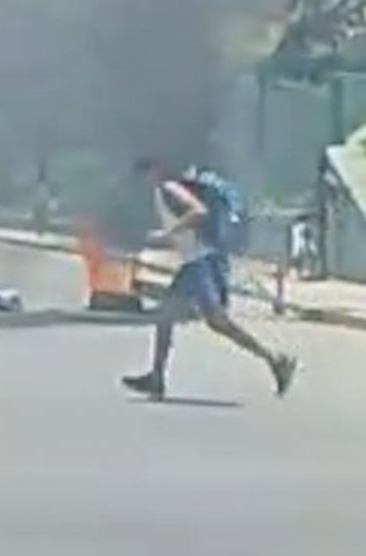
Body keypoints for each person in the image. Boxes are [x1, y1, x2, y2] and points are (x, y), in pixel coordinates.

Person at [122, 158, 297, 401]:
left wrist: (169, 233)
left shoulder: (168, 188)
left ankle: (276, 360)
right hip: (194, 263)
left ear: (152, 172)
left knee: (216, 322)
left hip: (200, 262)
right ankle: (156, 377)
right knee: (168, 316)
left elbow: (198, 211)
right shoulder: (163, 192)